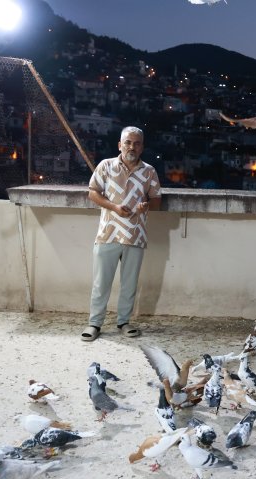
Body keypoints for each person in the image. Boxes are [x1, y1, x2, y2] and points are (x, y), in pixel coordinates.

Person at [81, 126, 161, 341]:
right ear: (120, 145)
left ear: (142, 147)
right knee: (101, 282)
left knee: (129, 283)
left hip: (135, 235)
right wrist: (114, 207)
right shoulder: (106, 166)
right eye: (127, 142)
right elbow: (92, 193)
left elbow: (157, 199)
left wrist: (147, 205)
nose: (131, 147)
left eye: (136, 143)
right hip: (107, 233)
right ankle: (94, 323)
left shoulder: (149, 171)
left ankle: (124, 322)